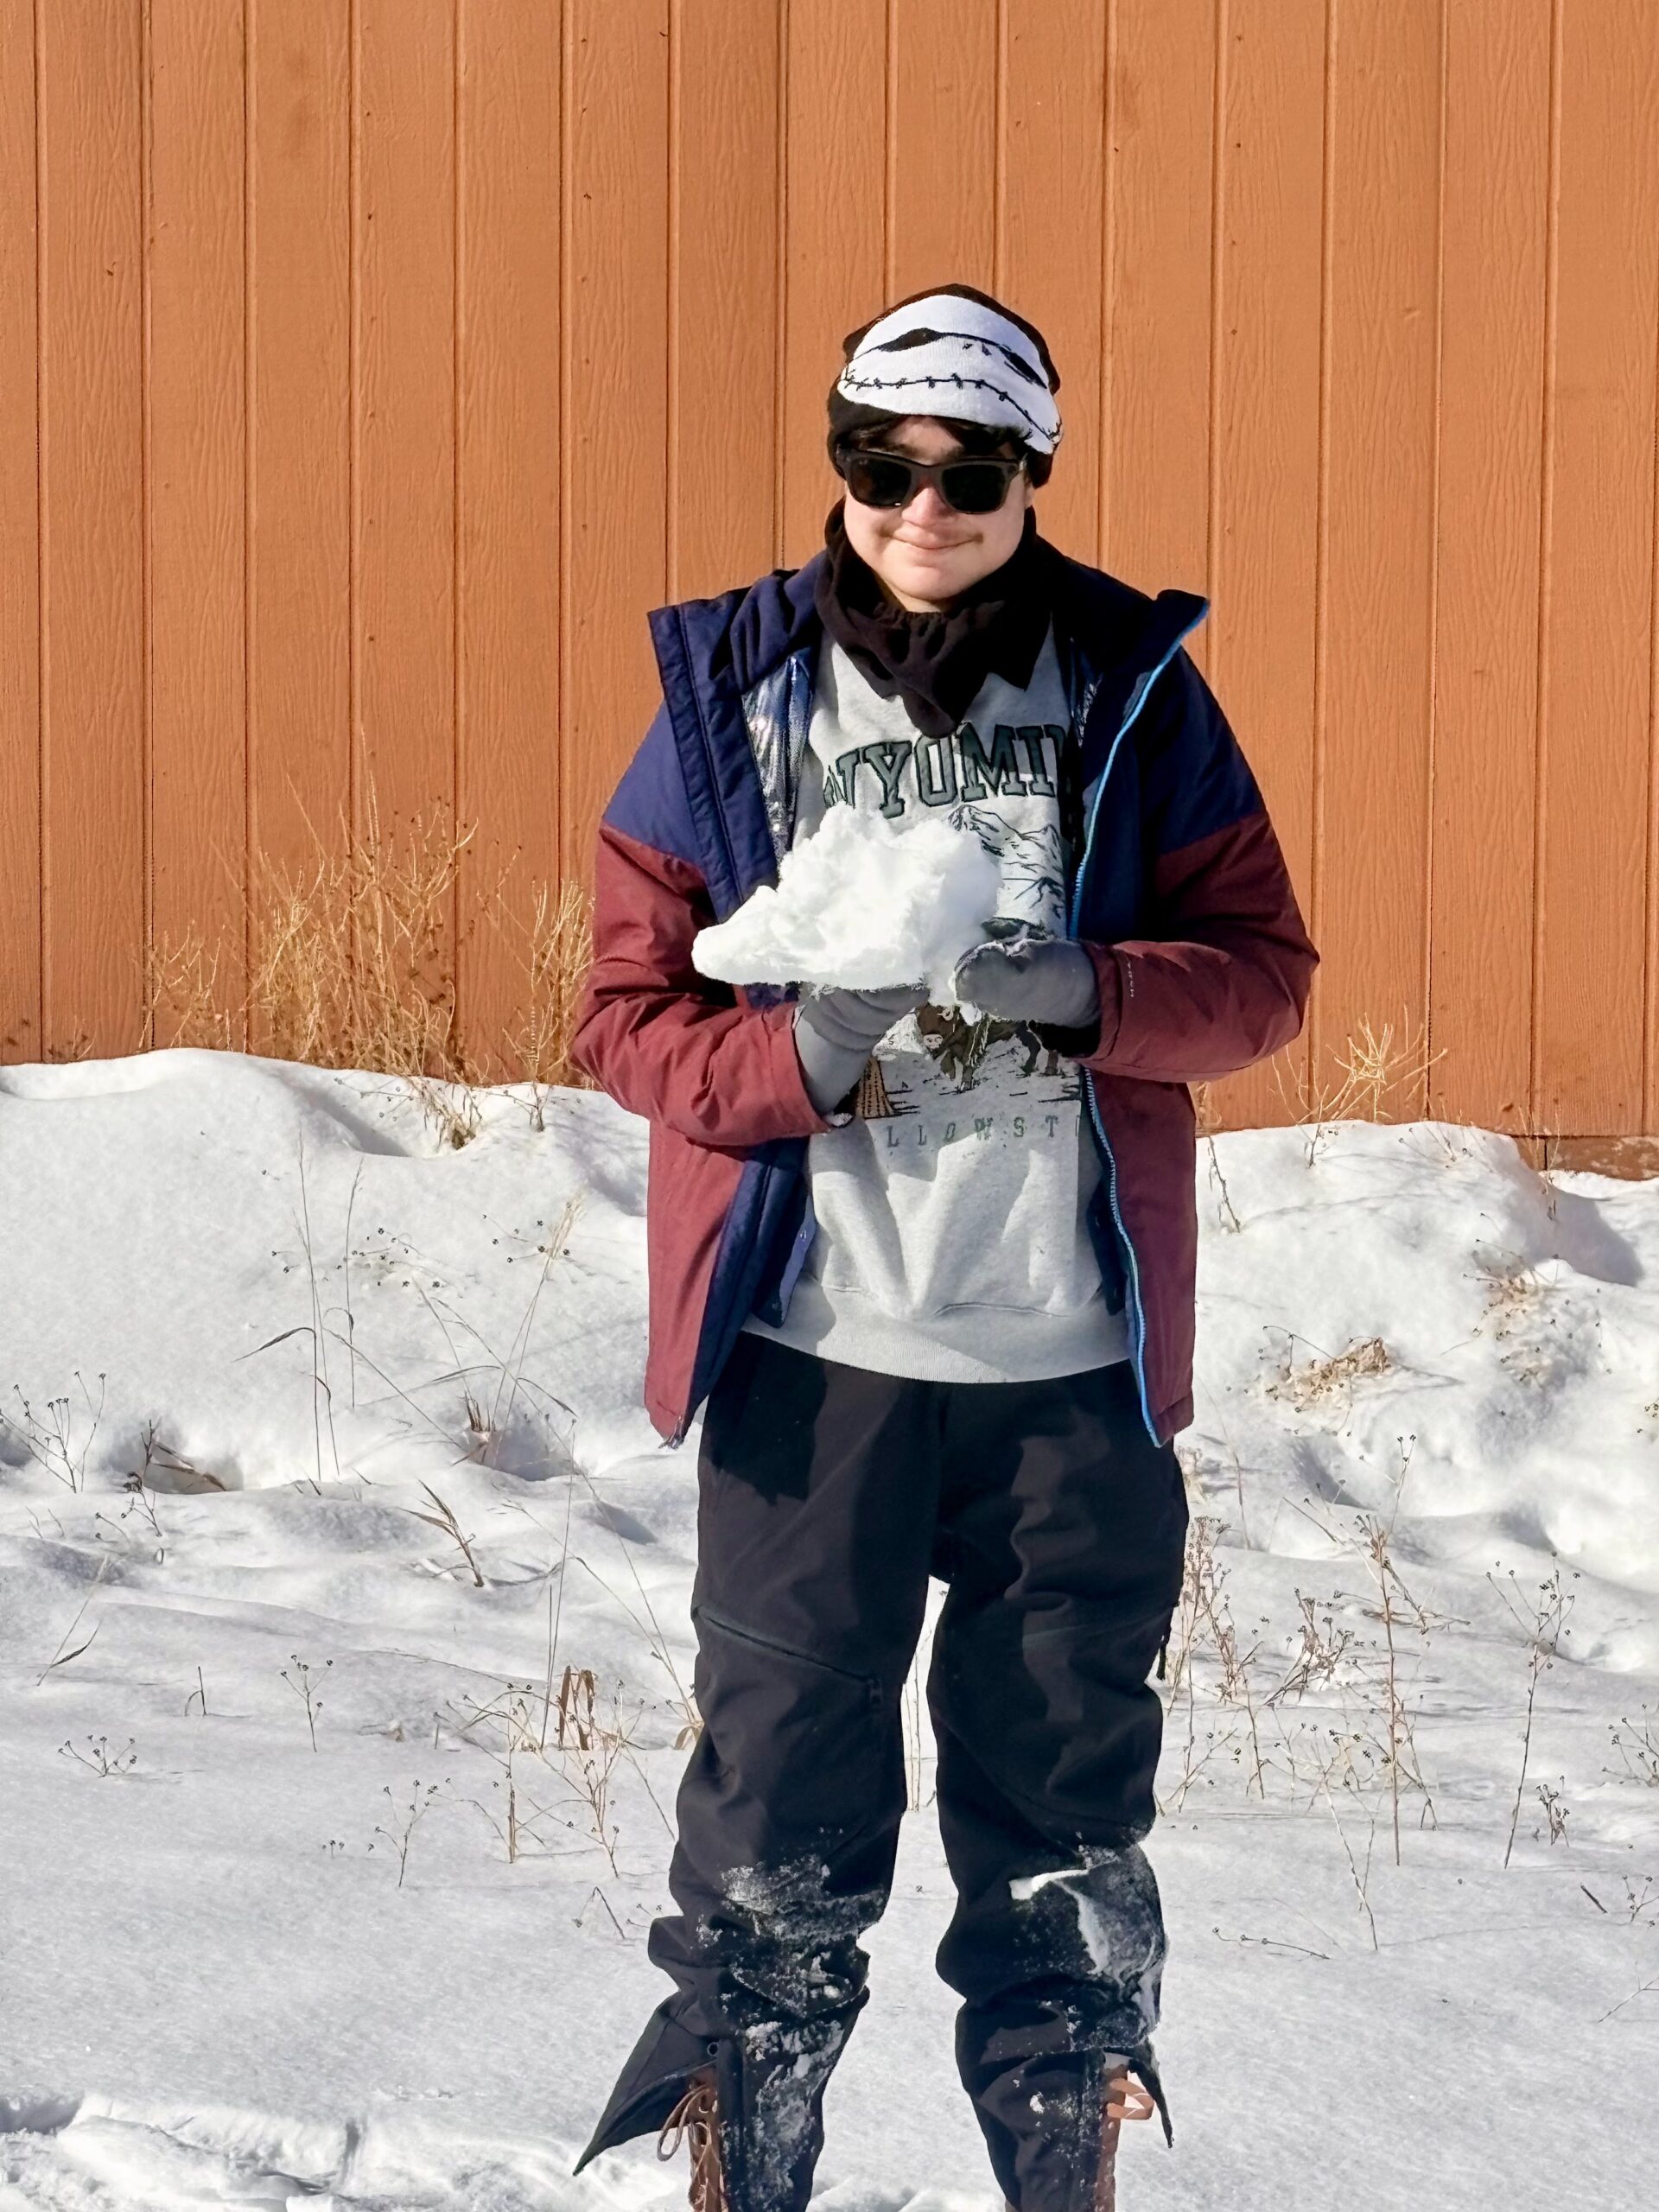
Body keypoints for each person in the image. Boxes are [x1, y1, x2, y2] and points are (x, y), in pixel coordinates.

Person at [569, 283, 1318, 2212]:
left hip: (1067, 1374)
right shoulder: (739, 692)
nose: (920, 505)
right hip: (814, 1363)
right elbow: (624, 1016)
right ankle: (744, 2179)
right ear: (838, 461)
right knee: (771, 1851)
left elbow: (1262, 977)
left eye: (968, 472)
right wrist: (791, 1055)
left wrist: (1096, 987)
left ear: (1032, 474)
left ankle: (1061, 2184)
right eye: (878, 461)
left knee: (1064, 1854)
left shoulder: (1129, 688)